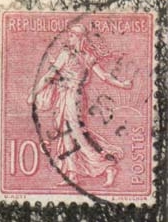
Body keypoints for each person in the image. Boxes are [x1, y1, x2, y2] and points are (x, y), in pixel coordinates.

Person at [28, 23, 133, 187]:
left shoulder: (68, 54)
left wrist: (33, 94)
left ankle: (107, 166)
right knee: (66, 133)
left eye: (71, 35)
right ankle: (72, 173)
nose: (68, 38)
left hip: (71, 97)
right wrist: (122, 84)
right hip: (74, 97)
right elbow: (104, 76)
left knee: (76, 134)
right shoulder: (87, 55)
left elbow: (49, 76)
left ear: (78, 37)